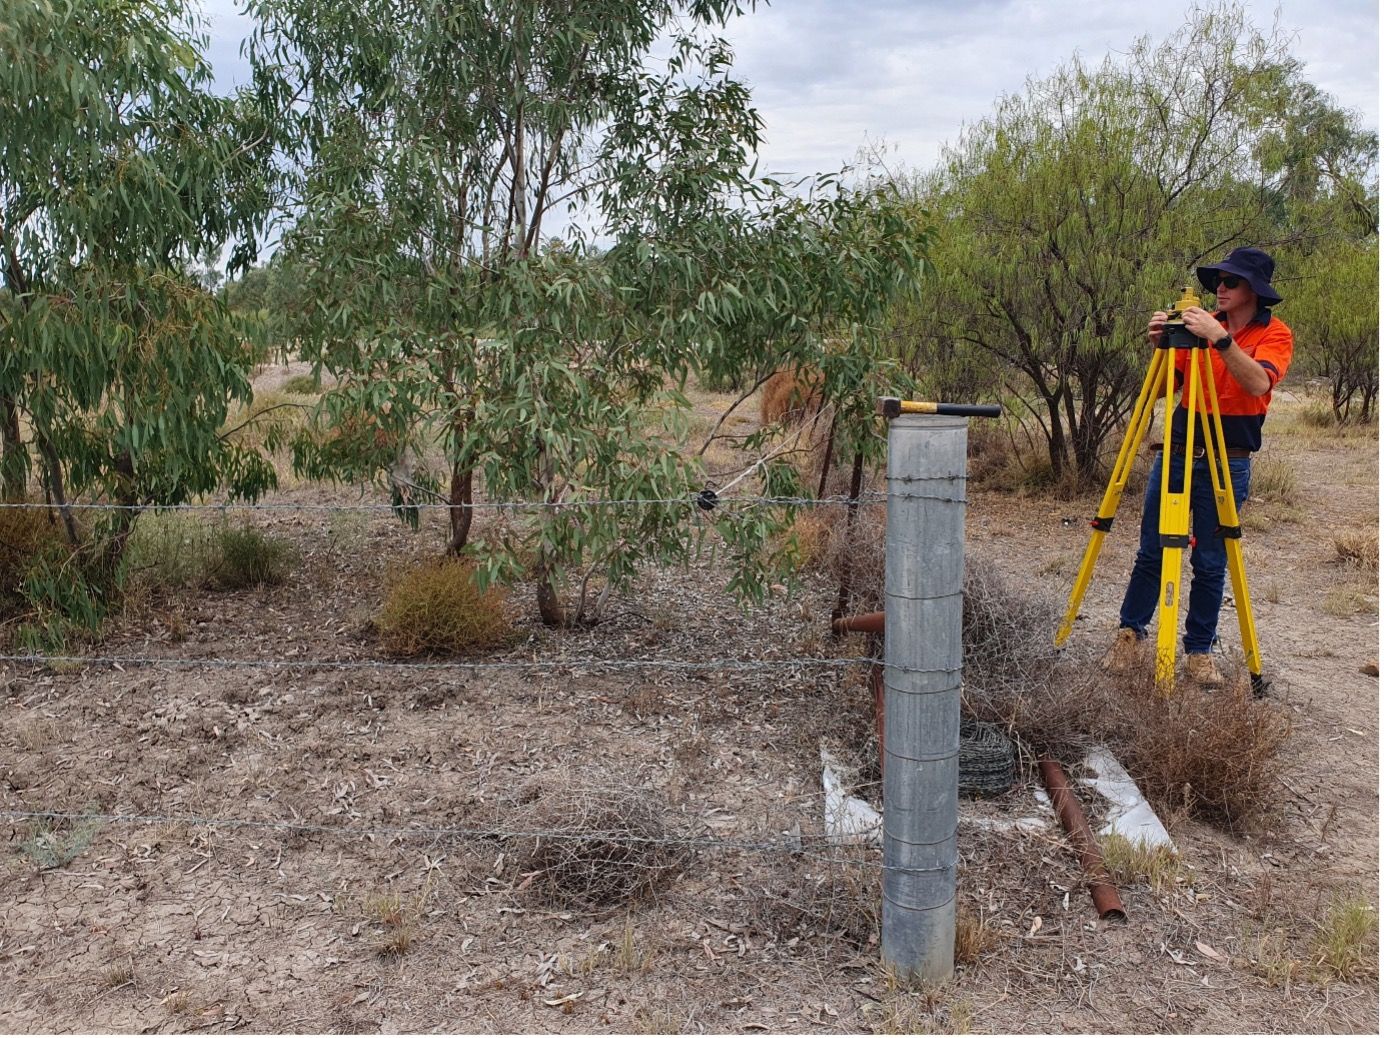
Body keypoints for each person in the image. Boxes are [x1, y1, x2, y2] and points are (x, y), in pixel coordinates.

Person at [1103, 247, 1294, 687]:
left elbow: (1257, 383)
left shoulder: (1275, 335)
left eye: (1231, 282)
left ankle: (1198, 652)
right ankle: (1130, 633)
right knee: (1151, 550)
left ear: (1254, 291)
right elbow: (1169, 387)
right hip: (1178, 453)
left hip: (1229, 461)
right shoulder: (1200, 327)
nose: (1221, 289)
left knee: (1209, 562)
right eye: (1219, 282)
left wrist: (1219, 339)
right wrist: (1163, 347)